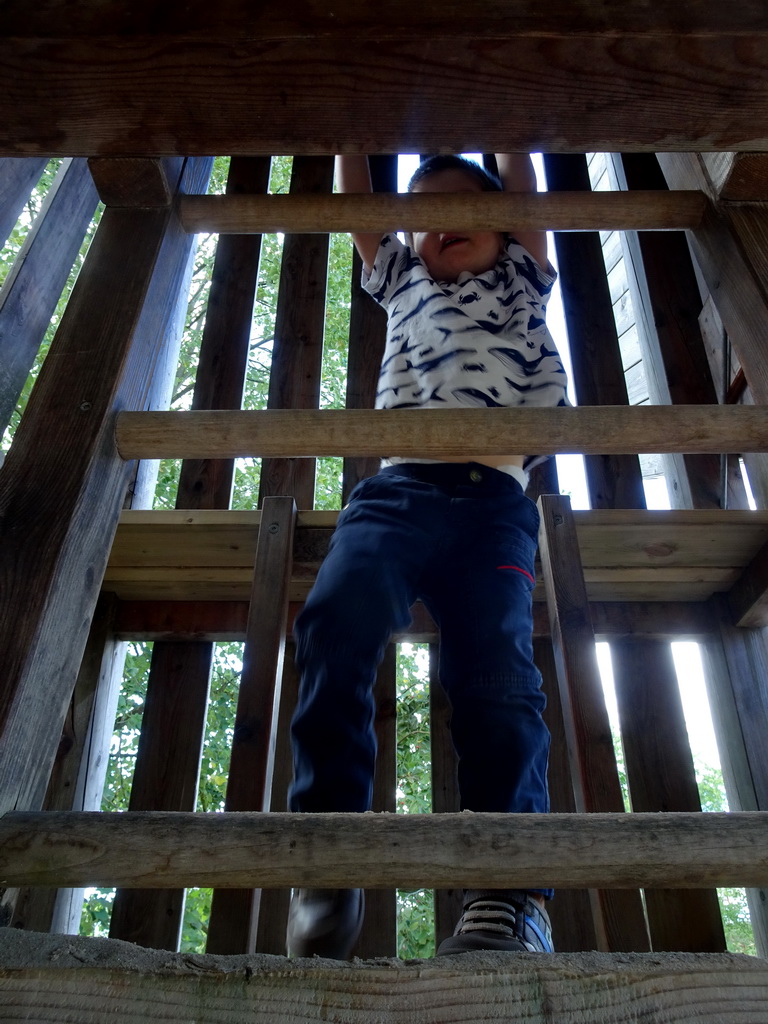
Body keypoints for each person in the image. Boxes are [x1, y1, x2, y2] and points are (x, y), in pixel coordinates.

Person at [286, 153, 568, 960]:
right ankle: (329, 870)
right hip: (399, 490)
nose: (443, 222)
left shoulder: (524, 275)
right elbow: (361, 207)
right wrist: (352, 124)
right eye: (424, 211)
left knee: (497, 675)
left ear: (507, 220)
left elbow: (523, 172)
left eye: (465, 207)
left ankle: (510, 900)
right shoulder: (404, 280)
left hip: (494, 501)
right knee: (335, 625)